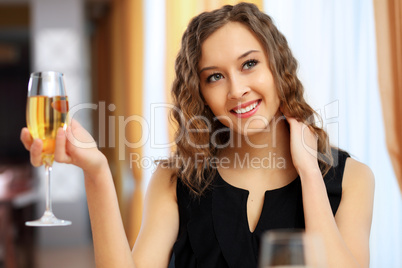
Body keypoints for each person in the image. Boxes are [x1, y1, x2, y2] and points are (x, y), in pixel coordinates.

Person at [21, 2, 374, 268]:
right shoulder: (176, 179)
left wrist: (311, 175)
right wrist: (96, 172)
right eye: (214, 77)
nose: (236, 90)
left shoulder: (352, 179)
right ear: (201, 93)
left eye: (249, 64)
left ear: (278, 68)